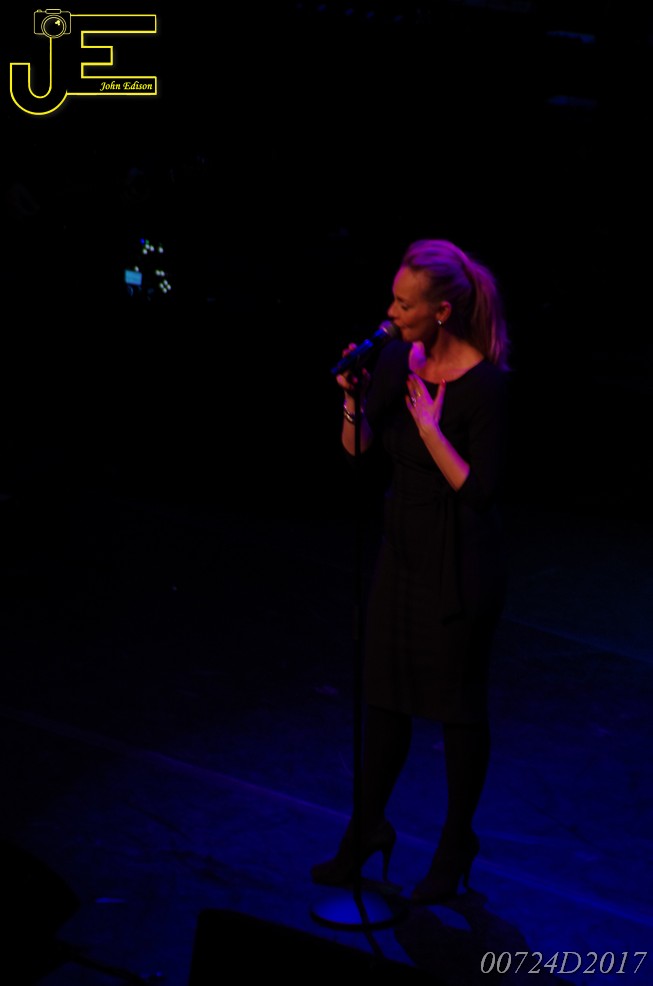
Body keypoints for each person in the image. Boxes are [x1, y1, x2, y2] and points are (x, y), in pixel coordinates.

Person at [312, 238, 511, 904]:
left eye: (404, 304)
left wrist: (430, 428)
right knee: (384, 700)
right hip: (401, 552)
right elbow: (358, 453)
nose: (391, 313)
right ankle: (365, 830)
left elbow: (479, 491)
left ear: (441, 310)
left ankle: (456, 845)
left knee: (457, 711)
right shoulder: (398, 359)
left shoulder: (486, 386)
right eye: (393, 301)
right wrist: (352, 401)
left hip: (460, 564)